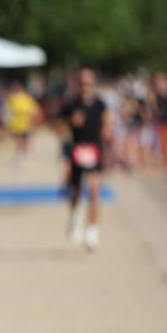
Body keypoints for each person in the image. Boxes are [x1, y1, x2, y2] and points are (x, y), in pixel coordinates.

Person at [61, 68, 112, 250]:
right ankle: (75, 216)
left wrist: (107, 136)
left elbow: (107, 126)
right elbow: (58, 126)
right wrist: (70, 123)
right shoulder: (71, 104)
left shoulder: (100, 104)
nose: (85, 86)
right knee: (76, 190)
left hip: (94, 151)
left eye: (88, 83)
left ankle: (92, 230)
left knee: (94, 191)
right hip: (77, 150)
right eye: (82, 83)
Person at [4, 80, 41, 164]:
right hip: (17, 123)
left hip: (25, 122)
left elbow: (34, 110)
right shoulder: (13, 98)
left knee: (24, 139)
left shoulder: (25, 98)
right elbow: (8, 111)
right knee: (19, 139)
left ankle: (22, 154)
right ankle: (20, 156)